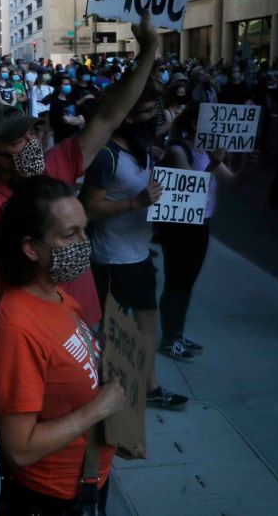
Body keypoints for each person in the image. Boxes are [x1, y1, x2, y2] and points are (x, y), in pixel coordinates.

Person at [0, 14, 159, 326]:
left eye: (31, 133)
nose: (31, 143)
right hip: (33, 333)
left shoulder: (57, 164)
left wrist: (148, 50)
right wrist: (18, 340)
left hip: (81, 321)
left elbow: (109, 116)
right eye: (17, 140)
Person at [0, 176, 126, 515]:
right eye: (69, 235)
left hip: (87, 483)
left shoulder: (60, 295)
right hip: (51, 500)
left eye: (83, 229)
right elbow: (19, 448)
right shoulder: (17, 326)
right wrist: (99, 409)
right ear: (32, 247)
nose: (84, 242)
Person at [79, 89, 188, 410]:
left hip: (139, 254)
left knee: (144, 320)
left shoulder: (144, 150)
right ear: (125, 114)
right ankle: (96, 387)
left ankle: (148, 386)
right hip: (112, 257)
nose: (152, 120)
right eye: (144, 113)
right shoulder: (105, 156)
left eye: (155, 112)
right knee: (111, 327)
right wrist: (135, 203)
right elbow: (89, 207)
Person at [156, 106, 255, 360]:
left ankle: (177, 332)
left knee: (187, 282)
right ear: (191, 123)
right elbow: (193, 188)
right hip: (180, 227)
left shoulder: (208, 151)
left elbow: (231, 181)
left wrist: (245, 163)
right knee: (176, 281)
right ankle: (169, 339)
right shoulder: (178, 151)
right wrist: (214, 163)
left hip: (201, 223)